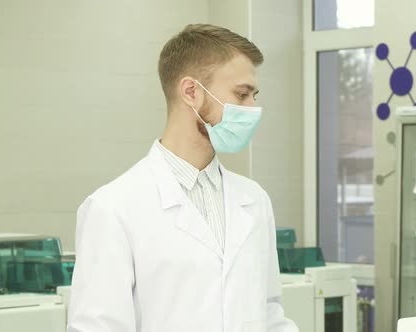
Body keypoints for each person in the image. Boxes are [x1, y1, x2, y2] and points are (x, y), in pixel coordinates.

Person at [67, 23, 298, 332]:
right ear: (191, 92)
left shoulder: (253, 199)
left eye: (254, 95)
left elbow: (268, 312)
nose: (253, 109)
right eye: (242, 95)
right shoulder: (113, 208)